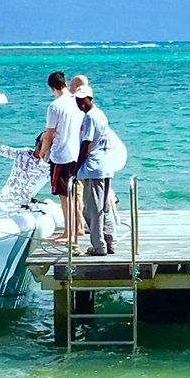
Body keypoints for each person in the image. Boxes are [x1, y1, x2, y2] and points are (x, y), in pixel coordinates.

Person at [73, 86, 127, 254]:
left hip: (93, 168)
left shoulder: (89, 117)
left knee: (92, 209)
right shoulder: (101, 114)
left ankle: (99, 246)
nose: (80, 102)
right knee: (104, 206)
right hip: (106, 165)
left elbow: (86, 144)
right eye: (78, 99)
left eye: (83, 99)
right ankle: (110, 241)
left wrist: (75, 168)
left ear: (90, 98)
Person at [41, 70, 82, 244]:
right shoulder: (77, 102)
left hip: (61, 156)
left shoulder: (55, 106)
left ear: (52, 88)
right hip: (78, 153)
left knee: (64, 197)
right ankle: (77, 228)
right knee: (75, 195)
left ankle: (68, 232)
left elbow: (50, 134)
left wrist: (42, 152)